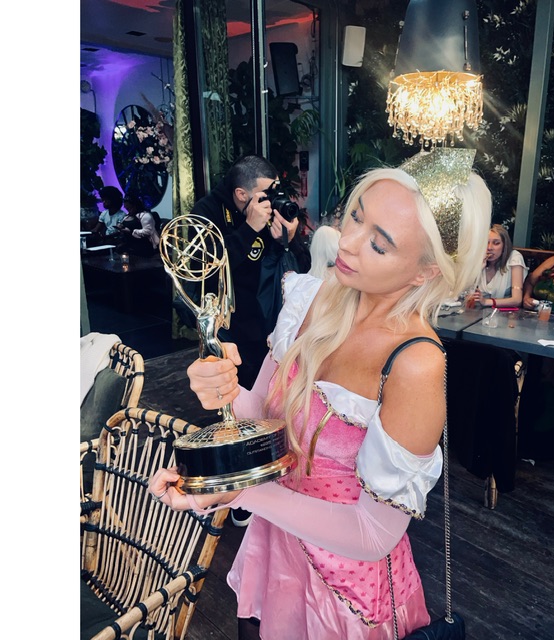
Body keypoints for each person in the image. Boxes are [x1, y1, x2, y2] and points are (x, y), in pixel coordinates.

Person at [148, 147, 491, 640]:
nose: (346, 243)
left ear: (425, 272)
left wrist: (242, 491)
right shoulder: (314, 297)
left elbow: (373, 534)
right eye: (356, 216)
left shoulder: (414, 362)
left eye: (379, 244)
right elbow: (262, 413)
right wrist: (222, 387)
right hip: (276, 546)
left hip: (345, 590)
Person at [190, 155, 308, 390]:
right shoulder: (206, 212)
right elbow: (204, 273)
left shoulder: (273, 209)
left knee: (274, 390)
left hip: (271, 318)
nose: (271, 200)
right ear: (241, 194)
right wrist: (249, 229)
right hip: (231, 325)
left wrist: (289, 240)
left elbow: (303, 267)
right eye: (265, 194)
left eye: (275, 191)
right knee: (239, 390)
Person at [469, 223, 528, 308]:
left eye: (496, 243)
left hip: (505, 312)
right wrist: (479, 268)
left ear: (504, 246)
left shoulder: (514, 258)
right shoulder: (478, 257)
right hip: (479, 310)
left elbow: (517, 300)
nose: (489, 248)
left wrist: (486, 302)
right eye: (486, 243)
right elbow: (463, 291)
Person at [114, 193, 159, 257]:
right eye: (126, 209)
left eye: (130, 208)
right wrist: (120, 226)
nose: (128, 211)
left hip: (143, 245)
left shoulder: (145, 215)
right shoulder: (127, 216)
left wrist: (131, 231)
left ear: (135, 205)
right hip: (129, 244)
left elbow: (148, 232)